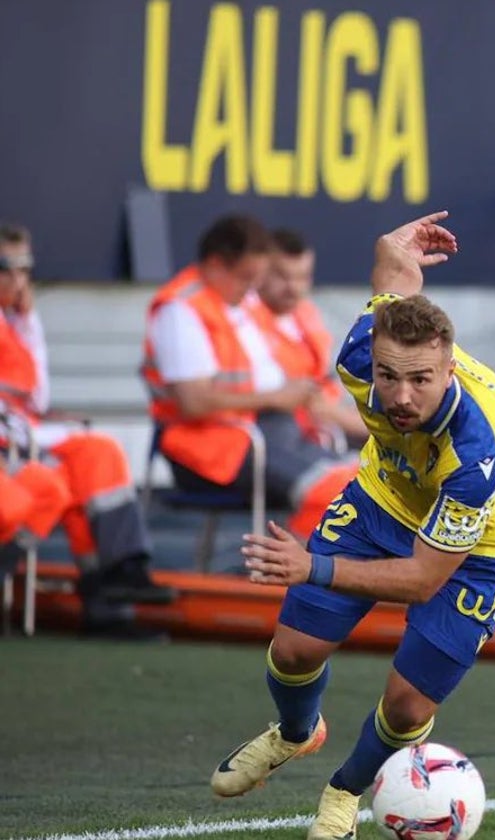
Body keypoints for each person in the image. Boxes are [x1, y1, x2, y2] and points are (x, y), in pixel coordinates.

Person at [211, 212, 495, 840]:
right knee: (293, 649)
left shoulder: (479, 453)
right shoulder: (362, 354)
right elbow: (394, 274)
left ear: (449, 370)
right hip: (384, 501)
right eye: (390, 376)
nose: (401, 397)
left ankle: (344, 790)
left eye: (421, 380)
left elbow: (421, 580)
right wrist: (392, 246)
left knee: (409, 703)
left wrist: (314, 567)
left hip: (479, 548)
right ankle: (295, 733)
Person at [0, 223, 175, 637]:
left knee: (98, 454)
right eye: (7, 267)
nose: (18, 278)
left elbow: (37, 398)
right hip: (11, 445)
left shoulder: (16, 323)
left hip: (20, 439)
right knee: (54, 486)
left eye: (25, 268)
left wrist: (28, 323)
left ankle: (116, 581)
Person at [141, 215, 358, 541]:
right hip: (210, 448)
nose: (251, 289)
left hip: (263, 433)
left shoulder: (236, 302)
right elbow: (194, 402)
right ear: (215, 265)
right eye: (245, 277)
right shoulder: (182, 310)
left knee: (359, 481)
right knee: (332, 490)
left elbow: (263, 377)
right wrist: (275, 397)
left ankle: (320, 570)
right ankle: (303, 573)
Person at [247, 228, 368, 448]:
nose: (293, 287)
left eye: (302, 277)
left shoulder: (306, 313)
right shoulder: (245, 319)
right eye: (282, 276)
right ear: (260, 271)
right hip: (280, 430)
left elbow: (324, 386)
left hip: (326, 420)